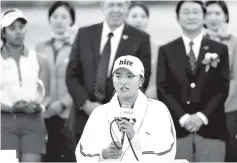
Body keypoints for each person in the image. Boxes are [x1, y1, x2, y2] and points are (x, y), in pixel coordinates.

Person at [66, 0, 151, 144]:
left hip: (121, 119)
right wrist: (86, 104)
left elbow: (143, 78)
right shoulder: (84, 34)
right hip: (84, 118)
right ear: (102, 6)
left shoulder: (140, 38)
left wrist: (115, 107)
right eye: (111, 5)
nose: (115, 9)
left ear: (127, 7)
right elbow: (72, 75)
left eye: (120, 5)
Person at [157, 0, 229, 162]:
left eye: (196, 12)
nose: (191, 16)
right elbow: (162, 89)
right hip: (177, 128)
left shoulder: (219, 49)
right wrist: (183, 117)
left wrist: (201, 116)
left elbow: (222, 88)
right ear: (177, 18)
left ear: (203, 17)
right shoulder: (166, 50)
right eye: (186, 12)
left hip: (211, 127)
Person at [75, 55, 176, 162]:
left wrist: (133, 138)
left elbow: (166, 153)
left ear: (141, 80)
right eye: (118, 76)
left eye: (130, 76)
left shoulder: (158, 110)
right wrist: (104, 154)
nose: (123, 81)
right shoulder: (99, 114)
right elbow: (83, 154)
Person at [0, 9, 50, 162]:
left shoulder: (39, 59)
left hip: (33, 122)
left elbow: (46, 96)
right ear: (3, 32)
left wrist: (39, 106)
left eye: (21, 27)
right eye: (12, 28)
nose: (18, 32)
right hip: (4, 123)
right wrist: (11, 108)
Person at [35, 1, 77, 162]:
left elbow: (82, 80)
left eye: (64, 17)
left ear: (71, 21)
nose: (59, 20)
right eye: (55, 16)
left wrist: (62, 103)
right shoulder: (39, 46)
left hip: (68, 115)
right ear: (50, 20)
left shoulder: (77, 47)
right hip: (43, 115)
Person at [204, 0, 237, 161]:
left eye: (217, 13)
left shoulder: (234, 42)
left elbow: (235, 77)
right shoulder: (197, 41)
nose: (213, 18)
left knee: (228, 151)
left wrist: (221, 102)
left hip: (228, 107)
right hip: (201, 107)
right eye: (209, 13)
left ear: (225, 16)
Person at [126, 2, 159, 99]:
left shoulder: (157, 48)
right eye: (134, 16)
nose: (139, 20)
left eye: (143, 16)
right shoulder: (118, 45)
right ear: (126, 19)